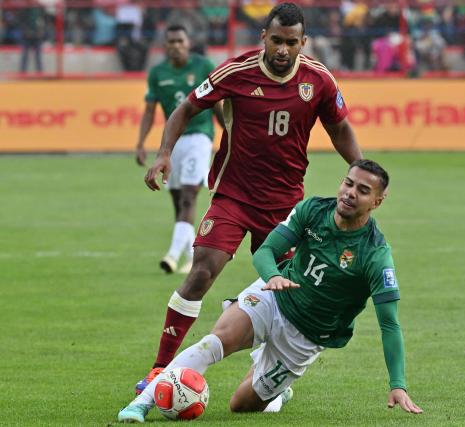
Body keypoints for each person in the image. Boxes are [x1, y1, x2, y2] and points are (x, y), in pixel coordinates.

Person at [134, 3, 362, 395]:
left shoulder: (319, 80)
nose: (282, 50)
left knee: (286, 295)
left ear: (302, 43)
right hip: (234, 195)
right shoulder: (235, 72)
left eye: (291, 43)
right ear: (264, 38)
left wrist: (361, 172)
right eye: (276, 40)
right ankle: (160, 369)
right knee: (202, 270)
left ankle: (273, 376)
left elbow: (339, 128)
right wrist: (164, 153)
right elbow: (186, 108)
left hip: (286, 204)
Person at [118, 159, 422, 422]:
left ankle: (277, 393)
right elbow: (265, 251)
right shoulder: (313, 210)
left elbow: (389, 324)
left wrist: (398, 384)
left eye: (363, 190)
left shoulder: (375, 254)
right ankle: (141, 403)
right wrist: (273, 276)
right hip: (274, 298)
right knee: (214, 342)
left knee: (242, 406)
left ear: (377, 201)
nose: (350, 193)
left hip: (307, 335)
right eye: (348, 183)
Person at [135, 24, 222, 275]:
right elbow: (150, 111)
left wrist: (230, 133)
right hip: (173, 142)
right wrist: (141, 143)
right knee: (177, 202)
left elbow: (217, 103)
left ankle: (172, 256)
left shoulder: (203, 66)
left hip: (199, 138)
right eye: (171, 41)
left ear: (188, 43)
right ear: (165, 45)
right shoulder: (157, 73)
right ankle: (194, 256)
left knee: (188, 197)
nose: (175, 46)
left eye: (179, 41)